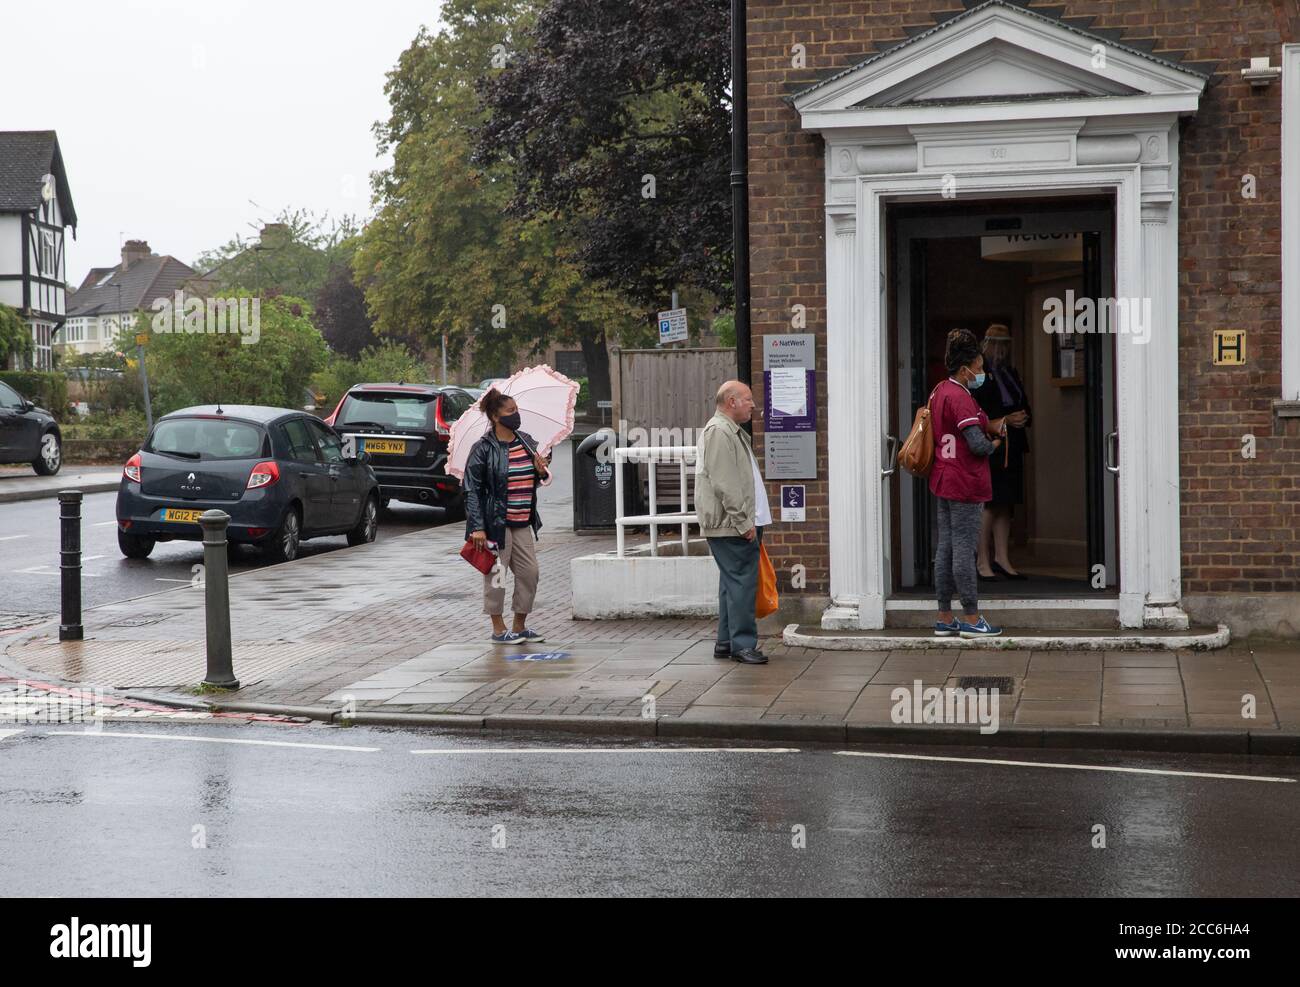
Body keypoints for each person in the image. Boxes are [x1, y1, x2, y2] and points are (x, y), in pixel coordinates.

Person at [929, 329, 1007, 638]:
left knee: (945, 548)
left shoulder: (939, 391)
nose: (982, 373)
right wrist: (995, 445)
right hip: (964, 481)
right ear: (964, 370)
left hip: (943, 478)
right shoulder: (960, 397)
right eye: (978, 368)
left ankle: (945, 616)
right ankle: (972, 619)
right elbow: (976, 444)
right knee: (964, 550)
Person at [464, 388, 551, 645]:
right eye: (510, 411)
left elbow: (540, 480)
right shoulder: (482, 449)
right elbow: (471, 489)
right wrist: (477, 527)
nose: (516, 415)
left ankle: (520, 626)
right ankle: (499, 630)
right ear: (495, 416)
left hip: (522, 521)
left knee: (529, 573)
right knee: (497, 576)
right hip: (494, 525)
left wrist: (540, 470)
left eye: (517, 410)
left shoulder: (526, 442)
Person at [696, 379, 771, 664]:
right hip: (733, 524)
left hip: (734, 522)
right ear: (731, 402)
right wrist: (743, 522)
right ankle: (743, 645)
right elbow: (724, 483)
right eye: (748, 399)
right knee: (742, 582)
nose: (753, 404)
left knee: (732, 582)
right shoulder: (719, 431)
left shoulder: (728, 430)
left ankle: (727, 642)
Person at [971, 324, 1031, 580]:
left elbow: (1023, 402)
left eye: (1004, 344)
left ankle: (1002, 558)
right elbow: (977, 410)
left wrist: (1022, 417)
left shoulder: (1010, 372)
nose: (1000, 349)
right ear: (986, 344)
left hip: (1013, 443)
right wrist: (1006, 418)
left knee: (1006, 504)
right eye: (995, 343)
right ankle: (982, 561)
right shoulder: (980, 375)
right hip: (992, 444)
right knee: (989, 504)